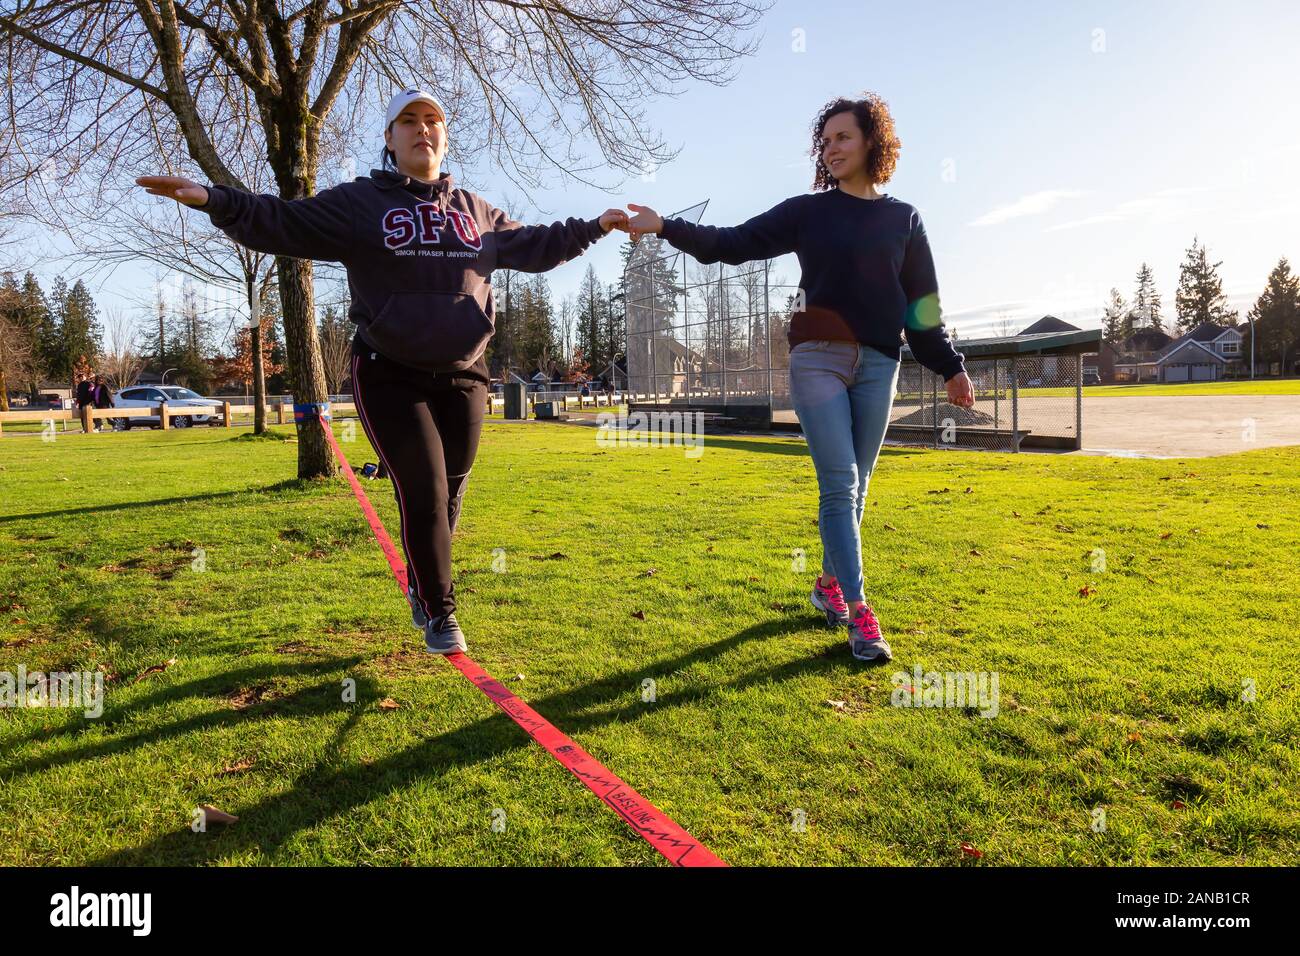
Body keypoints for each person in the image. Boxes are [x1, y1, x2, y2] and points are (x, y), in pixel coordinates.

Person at [137, 87, 627, 654]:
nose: (424, 129)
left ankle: (424, 582)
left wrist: (598, 226)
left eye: (434, 121)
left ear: (444, 136)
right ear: (390, 140)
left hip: (466, 375)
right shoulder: (360, 204)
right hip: (390, 373)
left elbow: (539, 245)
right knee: (423, 487)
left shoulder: (477, 212)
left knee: (450, 491)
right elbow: (282, 220)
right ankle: (440, 612)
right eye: (409, 121)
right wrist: (212, 199)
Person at [626, 92, 976, 663]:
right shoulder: (808, 212)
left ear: (872, 142)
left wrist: (950, 366)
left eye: (844, 137)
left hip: (881, 364)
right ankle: (861, 615)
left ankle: (827, 585)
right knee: (839, 484)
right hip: (818, 358)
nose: (832, 147)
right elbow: (730, 245)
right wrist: (663, 224)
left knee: (857, 488)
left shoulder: (902, 218)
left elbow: (924, 305)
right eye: (826, 139)